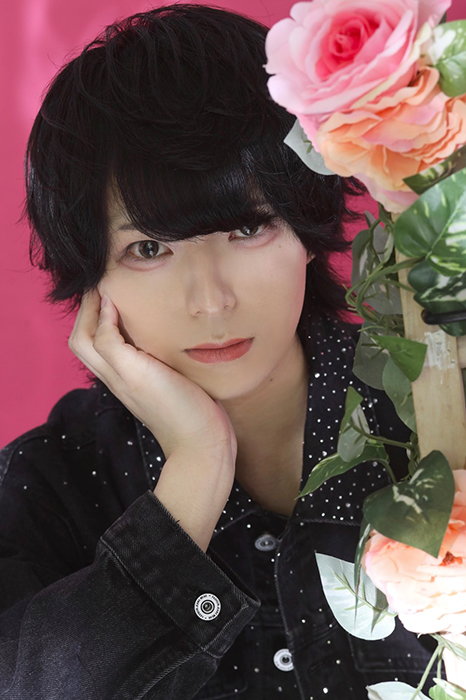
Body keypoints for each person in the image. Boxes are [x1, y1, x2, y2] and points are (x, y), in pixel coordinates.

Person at [0, 4, 438, 698]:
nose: (210, 301)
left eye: (248, 228)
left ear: (306, 227)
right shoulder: (49, 482)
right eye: (150, 249)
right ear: (90, 276)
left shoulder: (437, 405)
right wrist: (197, 466)